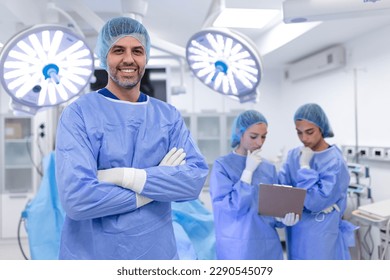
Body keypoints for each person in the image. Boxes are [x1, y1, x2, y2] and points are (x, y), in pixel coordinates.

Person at [55, 16, 209, 260]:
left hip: (156, 254)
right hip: (94, 255)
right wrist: (155, 186)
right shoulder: (79, 114)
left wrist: (126, 177)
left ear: (146, 57)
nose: (128, 59)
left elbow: (194, 180)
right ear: (105, 56)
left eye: (137, 50)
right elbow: (77, 200)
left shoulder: (167, 116)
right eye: (118, 50)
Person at [209, 110, 299, 260]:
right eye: (253, 136)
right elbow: (230, 208)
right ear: (239, 133)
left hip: (268, 246)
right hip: (237, 247)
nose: (259, 142)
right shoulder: (222, 166)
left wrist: (281, 218)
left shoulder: (268, 168)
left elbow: (272, 209)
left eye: (263, 137)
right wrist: (247, 173)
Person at [278, 103, 357, 260]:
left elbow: (316, 201)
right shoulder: (294, 155)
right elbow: (282, 189)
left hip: (322, 233)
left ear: (321, 128)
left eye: (309, 132)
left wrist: (305, 168)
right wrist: (280, 213)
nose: (304, 138)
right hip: (296, 231)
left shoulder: (334, 161)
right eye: (299, 133)